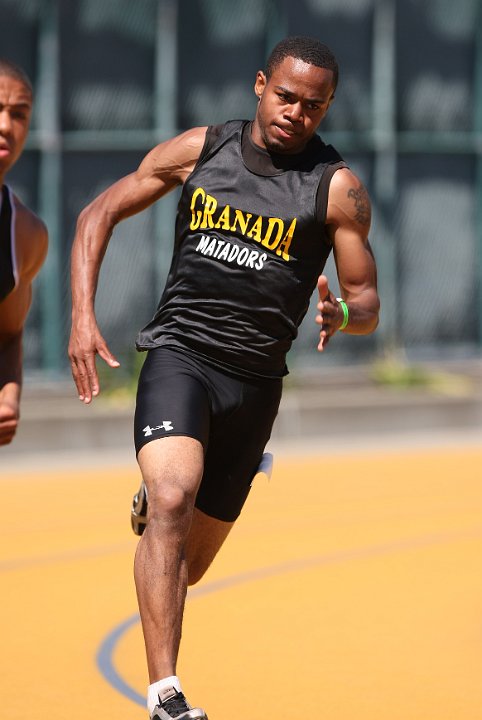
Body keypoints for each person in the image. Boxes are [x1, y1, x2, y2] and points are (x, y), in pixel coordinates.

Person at [69, 36, 379, 720]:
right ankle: (165, 693)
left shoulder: (336, 189)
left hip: (256, 385)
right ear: (260, 85)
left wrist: (340, 315)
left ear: (328, 108)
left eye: (313, 105)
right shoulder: (202, 150)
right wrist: (83, 316)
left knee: (186, 566)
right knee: (175, 496)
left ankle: (155, 507)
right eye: (286, 96)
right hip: (181, 354)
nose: (296, 113)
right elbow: (98, 213)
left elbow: (367, 302)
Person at [0, 59, 48, 446]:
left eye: (18, 114)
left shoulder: (25, 234)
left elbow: (9, 334)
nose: (5, 126)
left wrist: (9, 394)